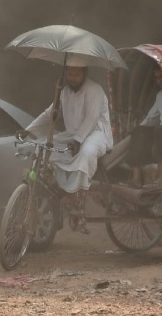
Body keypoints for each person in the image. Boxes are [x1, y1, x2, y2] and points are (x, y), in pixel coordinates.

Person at [16, 54, 112, 234]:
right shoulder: (65, 92)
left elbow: (91, 118)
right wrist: (29, 130)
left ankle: (78, 199)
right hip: (73, 134)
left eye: (77, 74)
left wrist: (79, 140)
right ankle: (51, 184)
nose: (73, 78)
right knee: (45, 144)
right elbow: (50, 113)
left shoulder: (95, 90)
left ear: (84, 74)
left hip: (96, 133)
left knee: (87, 153)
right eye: (70, 74)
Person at [126, 65, 162, 186]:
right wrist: (139, 130)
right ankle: (136, 176)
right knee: (139, 130)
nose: (159, 81)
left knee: (159, 130)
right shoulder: (161, 95)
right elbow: (151, 118)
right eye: (157, 78)